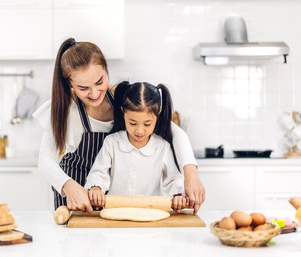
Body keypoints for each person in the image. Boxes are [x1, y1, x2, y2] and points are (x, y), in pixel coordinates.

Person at [33, 38, 205, 214]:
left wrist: (191, 174)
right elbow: (45, 160)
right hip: (73, 198)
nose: (94, 93)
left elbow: (175, 132)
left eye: (99, 82)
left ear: (106, 70)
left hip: (111, 202)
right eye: (83, 88)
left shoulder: (122, 98)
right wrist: (68, 186)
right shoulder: (64, 108)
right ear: (70, 85)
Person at [85, 81, 189, 211]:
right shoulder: (112, 142)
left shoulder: (162, 147)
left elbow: (174, 179)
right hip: (116, 213)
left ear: (158, 115)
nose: (139, 131)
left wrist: (178, 195)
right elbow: (99, 172)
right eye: (133, 123)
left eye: (147, 124)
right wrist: (96, 187)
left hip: (151, 213)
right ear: (123, 112)